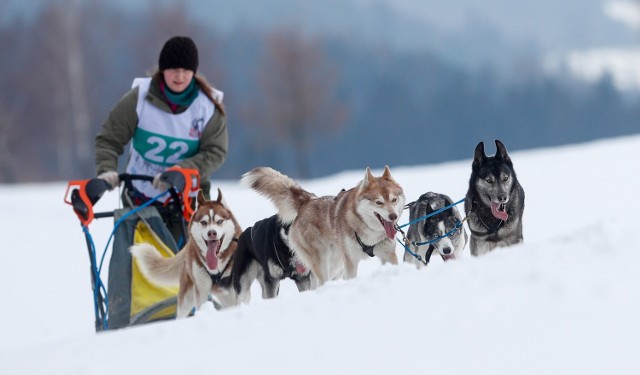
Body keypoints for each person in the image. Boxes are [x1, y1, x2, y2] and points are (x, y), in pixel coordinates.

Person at [95, 35, 228, 204]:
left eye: (186, 70)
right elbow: (109, 139)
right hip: (139, 196)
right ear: (163, 69)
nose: (179, 76)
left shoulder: (208, 107)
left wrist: (181, 170)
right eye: (173, 69)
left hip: (189, 200)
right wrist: (106, 169)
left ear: (193, 72)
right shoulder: (138, 99)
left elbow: (215, 151)